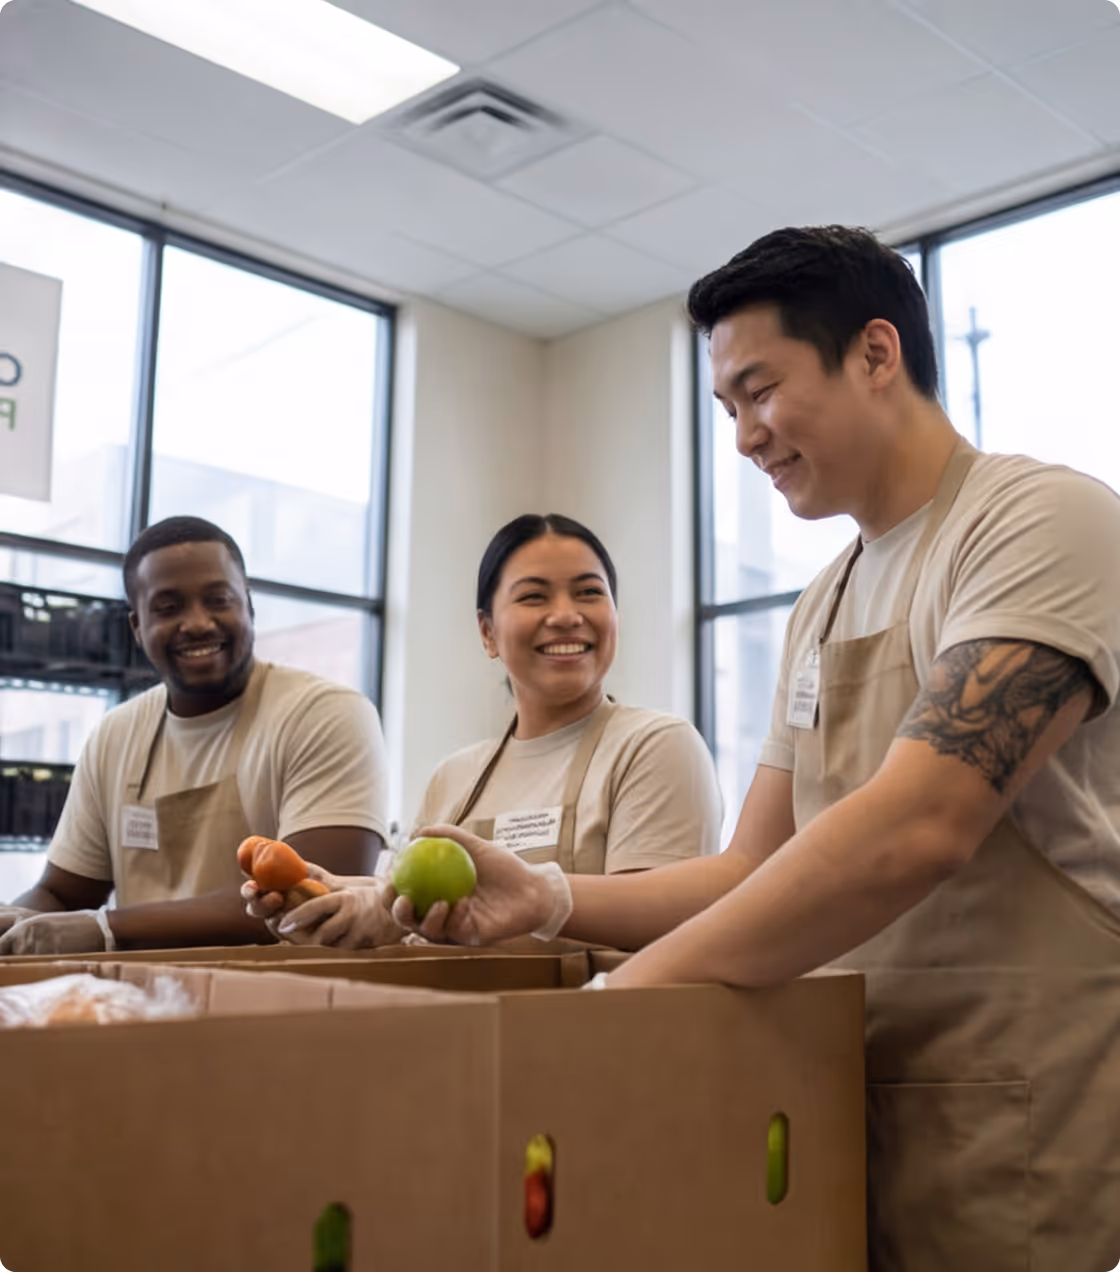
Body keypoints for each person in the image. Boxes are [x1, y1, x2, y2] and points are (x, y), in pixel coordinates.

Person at [381, 229, 1120, 1270]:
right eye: (726, 410)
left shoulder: (1039, 522)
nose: (742, 438)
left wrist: (615, 1003)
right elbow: (748, 870)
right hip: (844, 1096)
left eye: (758, 391)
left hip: (1030, 1107)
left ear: (873, 353)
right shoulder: (819, 604)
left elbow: (920, 825)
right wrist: (549, 901)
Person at [252, 513, 722, 948]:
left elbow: (659, 929)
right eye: (534, 596)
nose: (565, 615)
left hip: (594, 1029)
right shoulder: (454, 777)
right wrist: (338, 896)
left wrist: (540, 900)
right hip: (462, 1029)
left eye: (589, 592)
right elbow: (408, 914)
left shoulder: (655, 747)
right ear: (487, 632)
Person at [0, 516, 389, 955]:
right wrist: (17, 921)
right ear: (137, 627)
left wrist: (105, 928)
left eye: (218, 600)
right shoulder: (116, 733)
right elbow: (61, 895)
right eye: (168, 608)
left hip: (284, 1006)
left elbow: (312, 897)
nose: (198, 623)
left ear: (249, 605)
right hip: (139, 1006)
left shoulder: (324, 713)